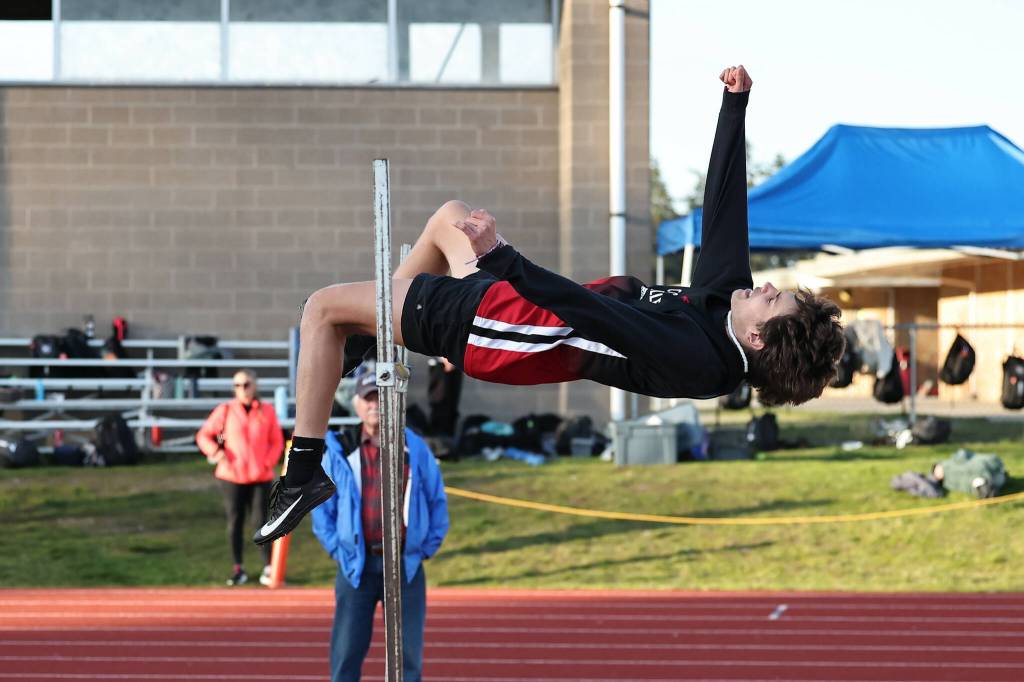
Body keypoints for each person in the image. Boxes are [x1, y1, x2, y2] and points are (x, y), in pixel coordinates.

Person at [254, 64, 845, 546]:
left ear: (759, 339)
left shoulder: (699, 359)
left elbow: (598, 316)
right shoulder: (726, 300)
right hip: (514, 305)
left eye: (774, 301)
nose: (766, 288)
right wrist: (734, 106)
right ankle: (375, 334)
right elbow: (724, 209)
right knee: (445, 218)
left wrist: (504, 258)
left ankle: (303, 471)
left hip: (503, 330)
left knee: (321, 309)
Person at [312, 363, 449, 682]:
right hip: (357, 567)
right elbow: (322, 508)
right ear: (357, 404)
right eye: (368, 397)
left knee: (407, 658)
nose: (375, 404)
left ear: (393, 401)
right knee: (346, 654)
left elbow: (435, 499)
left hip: (405, 566)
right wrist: (338, 548)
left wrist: (424, 548)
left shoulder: (414, 447)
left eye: (381, 396)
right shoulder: (340, 450)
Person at [197, 369, 284, 585]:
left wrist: (267, 462)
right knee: (235, 521)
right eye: (237, 385)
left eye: (246, 384)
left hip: (260, 476)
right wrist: (216, 453)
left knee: (261, 522)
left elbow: (277, 442)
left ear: (255, 386)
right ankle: (238, 568)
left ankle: (268, 567)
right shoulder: (225, 410)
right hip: (231, 477)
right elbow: (203, 435)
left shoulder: (267, 411)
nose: (242, 389)